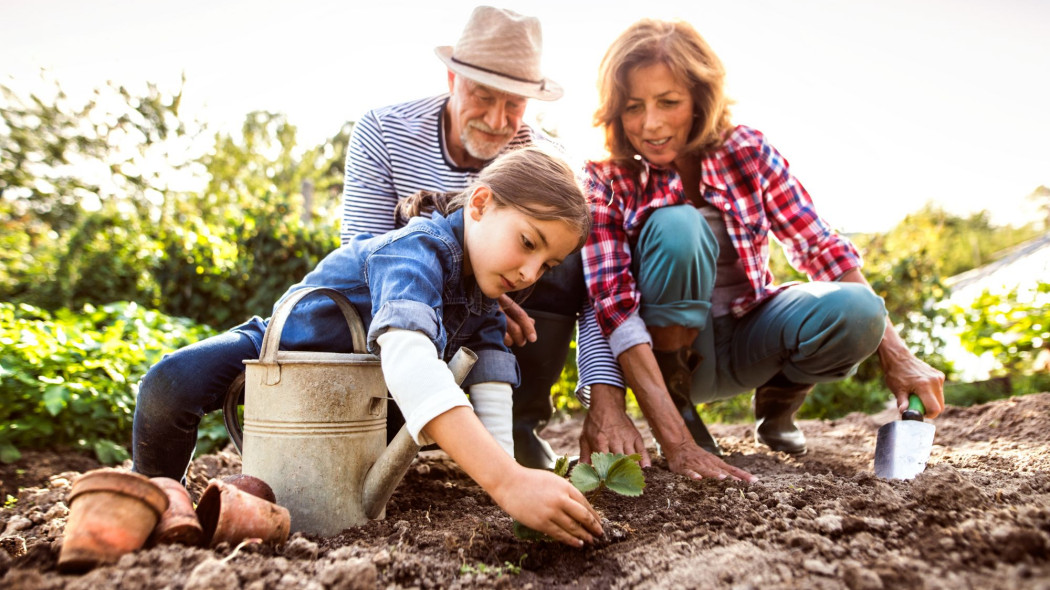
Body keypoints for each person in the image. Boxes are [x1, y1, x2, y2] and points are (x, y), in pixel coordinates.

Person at [132, 147, 603, 546]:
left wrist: (509, 473)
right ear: (480, 204)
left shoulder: (484, 291)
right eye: (527, 243)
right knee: (170, 382)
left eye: (547, 265)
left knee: (413, 418)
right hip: (281, 353)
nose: (528, 273)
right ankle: (153, 500)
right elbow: (409, 356)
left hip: (355, 402)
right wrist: (506, 482)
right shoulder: (416, 251)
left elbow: (491, 380)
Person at [577, 19, 946, 482]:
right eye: (633, 107)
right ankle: (681, 410)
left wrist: (898, 355)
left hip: (751, 333)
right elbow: (612, 309)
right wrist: (678, 444)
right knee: (678, 225)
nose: (650, 124)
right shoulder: (605, 178)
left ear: (698, 100)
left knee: (861, 311)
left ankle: (777, 405)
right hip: (671, 358)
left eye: (668, 102)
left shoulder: (746, 150)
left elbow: (819, 246)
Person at [341, 5, 625, 469]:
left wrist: (603, 398)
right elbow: (365, 250)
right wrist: (475, 295)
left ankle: (517, 422)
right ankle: (390, 415)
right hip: (406, 306)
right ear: (453, 81)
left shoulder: (545, 158)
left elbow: (599, 291)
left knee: (560, 247)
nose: (497, 119)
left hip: (489, 310)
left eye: (514, 104)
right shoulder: (384, 131)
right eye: (483, 95)